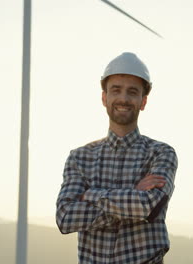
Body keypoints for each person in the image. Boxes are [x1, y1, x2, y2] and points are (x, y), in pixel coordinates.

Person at [56, 52, 177, 264]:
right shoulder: (80, 157)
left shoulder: (161, 153)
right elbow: (65, 217)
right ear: (104, 98)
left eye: (132, 92)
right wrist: (132, 197)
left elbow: (147, 207)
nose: (123, 98)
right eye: (116, 90)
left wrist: (90, 195)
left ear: (143, 101)